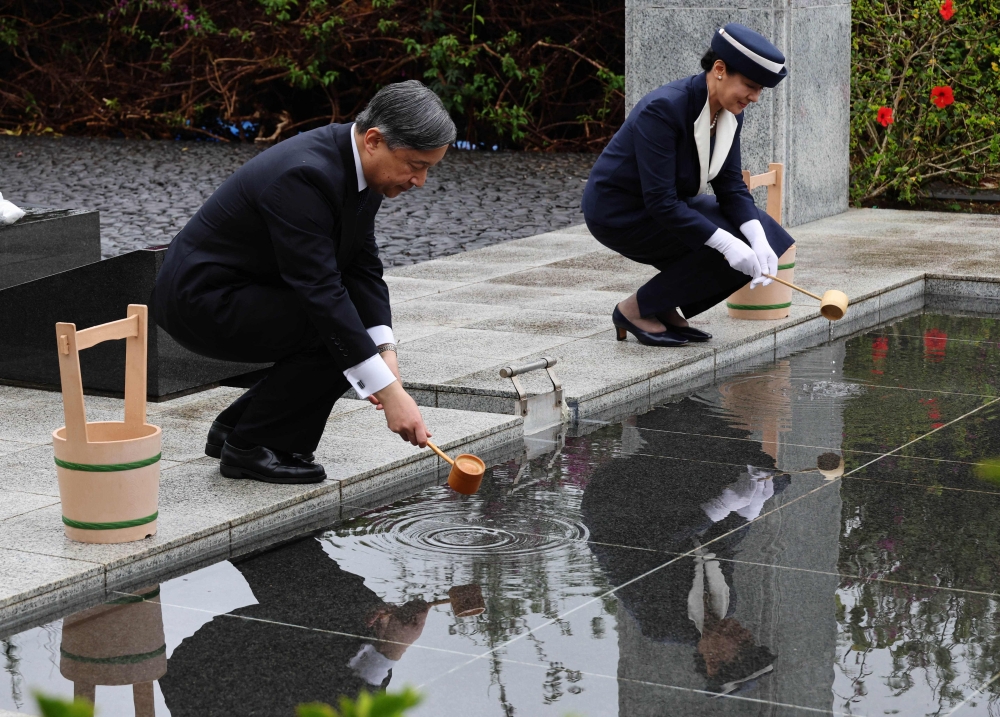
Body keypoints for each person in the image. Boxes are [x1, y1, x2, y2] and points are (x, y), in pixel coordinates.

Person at [150, 81, 456, 484]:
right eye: (416, 166)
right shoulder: (305, 175)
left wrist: (385, 350)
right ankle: (254, 448)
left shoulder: (364, 168)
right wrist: (390, 394)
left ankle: (237, 426)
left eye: (428, 169)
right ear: (374, 140)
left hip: (246, 287)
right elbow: (321, 293)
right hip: (201, 301)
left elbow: (362, 266)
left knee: (350, 334)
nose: (420, 181)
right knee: (333, 332)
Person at [582, 23, 794, 347]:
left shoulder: (731, 114)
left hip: (667, 206)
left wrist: (757, 240)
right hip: (619, 212)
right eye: (750, 86)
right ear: (719, 69)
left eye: (760, 89)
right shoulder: (664, 108)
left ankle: (663, 306)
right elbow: (661, 202)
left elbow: (731, 188)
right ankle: (634, 310)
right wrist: (728, 243)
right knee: (723, 241)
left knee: (765, 233)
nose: (755, 97)